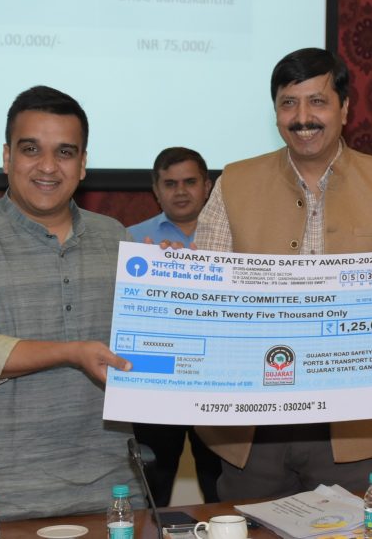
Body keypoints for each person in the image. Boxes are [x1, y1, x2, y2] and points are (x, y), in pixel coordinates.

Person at [193, 47, 372, 501]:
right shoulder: (234, 181)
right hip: (253, 421)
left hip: (355, 421)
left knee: (352, 530)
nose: (302, 117)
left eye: (317, 102)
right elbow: (207, 290)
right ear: (275, 113)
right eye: (289, 103)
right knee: (250, 528)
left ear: (344, 109)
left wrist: (327, 320)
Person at [0, 86, 139, 527]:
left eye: (64, 152)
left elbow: (146, 348)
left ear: (83, 164)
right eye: (31, 149)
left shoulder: (116, 238)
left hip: (109, 495)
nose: (48, 166)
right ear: (7, 157)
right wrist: (72, 352)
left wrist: (179, 285)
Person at [128, 147, 222, 504]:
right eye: (170, 184)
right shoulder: (131, 240)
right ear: (156, 190)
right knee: (152, 489)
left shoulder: (233, 238)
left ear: (207, 186)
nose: (180, 191)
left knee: (219, 486)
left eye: (189, 182)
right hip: (157, 382)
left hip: (216, 382)